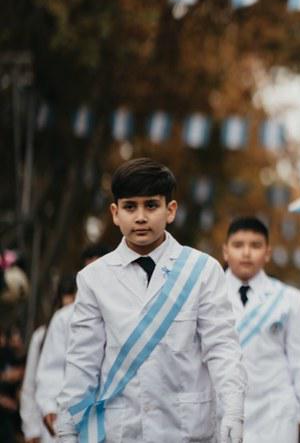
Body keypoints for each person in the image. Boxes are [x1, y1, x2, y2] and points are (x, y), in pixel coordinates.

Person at [53, 157, 246, 443]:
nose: (140, 217)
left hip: (187, 429)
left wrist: (233, 410)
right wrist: (67, 428)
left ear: (170, 211)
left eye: (151, 205)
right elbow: (83, 361)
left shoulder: (203, 270)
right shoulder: (93, 278)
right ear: (115, 213)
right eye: (130, 207)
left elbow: (222, 348)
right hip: (121, 429)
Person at [222, 217, 300, 443]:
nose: (246, 253)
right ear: (225, 251)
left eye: (255, 245)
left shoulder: (289, 299)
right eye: (238, 245)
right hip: (222, 411)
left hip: (275, 415)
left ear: (268, 253)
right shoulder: (208, 295)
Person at [35, 245, 109, 440]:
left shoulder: (126, 311)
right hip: (74, 412)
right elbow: (52, 368)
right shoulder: (64, 317)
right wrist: (49, 405)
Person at [22, 274, 76, 443]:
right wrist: (31, 428)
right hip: (49, 418)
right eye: (68, 294)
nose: (71, 300)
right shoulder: (42, 335)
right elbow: (31, 383)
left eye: (75, 295)